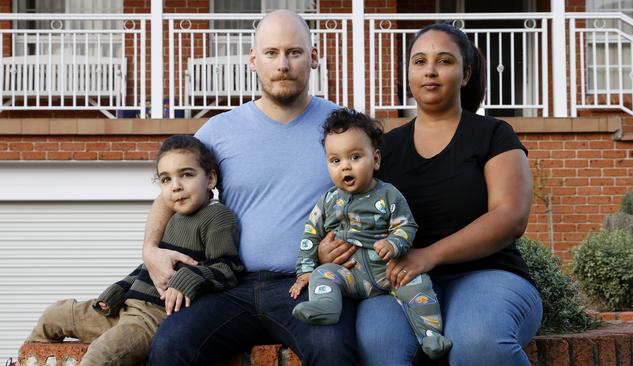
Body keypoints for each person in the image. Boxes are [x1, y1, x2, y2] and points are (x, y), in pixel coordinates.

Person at [319, 23, 543, 365]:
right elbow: (347, 208)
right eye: (419, 61)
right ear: (408, 72)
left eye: (444, 61)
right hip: (396, 281)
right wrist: (326, 248)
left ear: (466, 73)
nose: (430, 71)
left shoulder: (493, 134)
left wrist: (429, 255)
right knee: (378, 343)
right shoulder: (383, 149)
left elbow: (510, 216)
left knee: (476, 341)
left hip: (488, 274)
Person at [144, 10, 358, 366]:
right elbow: (171, 194)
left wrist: (345, 241)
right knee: (170, 346)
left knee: (334, 349)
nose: (283, 64)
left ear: (314, 56)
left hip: (307, 282)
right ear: (253, 60)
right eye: (272, 53)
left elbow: (373, 198)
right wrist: (150, 249)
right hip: (229, 285)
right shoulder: (217, 131)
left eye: (294, 52)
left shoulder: (344, 128)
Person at [26, 135, 243, 366]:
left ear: (210, 178)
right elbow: (150, 267)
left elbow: (228, 268)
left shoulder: (218, 216)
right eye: (166, 179)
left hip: (152, 319)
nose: (176, 186)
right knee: (56, 315)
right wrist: (120, 288)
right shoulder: (173, 217)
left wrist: (189, 278)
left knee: (100, 356)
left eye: (186, 175)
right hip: (123, 311)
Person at [289, 108, 452, 360]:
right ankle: (326, 306)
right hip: (350, 274)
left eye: (355, 157)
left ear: (375, 159)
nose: (345, 166)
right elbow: (310, 235)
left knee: (419, 284)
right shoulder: (327, 201)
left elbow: (406, 226)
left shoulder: (388, 195)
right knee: (323, 275)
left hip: (388, 271)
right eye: (335, 160)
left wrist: (394, 243)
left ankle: (431, 336)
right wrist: (306, 270)